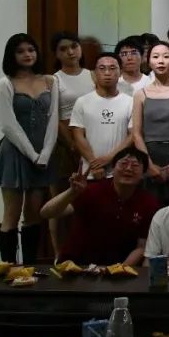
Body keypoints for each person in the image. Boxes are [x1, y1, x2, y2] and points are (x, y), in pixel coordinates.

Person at [0, 33, 59, 264]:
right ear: (12, 55)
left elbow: (53, 119)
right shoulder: (5, 83)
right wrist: (32, 154)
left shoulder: (50, 81)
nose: (27, 54)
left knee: (34, 213)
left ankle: (29, 268)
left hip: (43, 154)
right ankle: (8, 269)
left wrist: (45, 153)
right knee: (12, 213)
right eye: (20, 51)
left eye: (31, 50)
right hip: (14, 152)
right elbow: (7, 124)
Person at [42, 147, 159, 266]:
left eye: (135, 165)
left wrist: (120, 270)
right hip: (76, 265)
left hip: (116, 268)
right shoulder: (93, 191)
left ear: (143, 175)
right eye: (124, 164)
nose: (128, 168)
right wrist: (71, 192)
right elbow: (46, 213)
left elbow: (141, 246)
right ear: (113, 169)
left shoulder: (148, 203)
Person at [50, 30, 92, 256]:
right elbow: (54, 117)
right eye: (63, 49)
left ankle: (83, 251)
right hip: (63, 145)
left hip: (90, 143)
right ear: (56, 54)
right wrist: (71, 143)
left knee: (85, 200)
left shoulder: (92, 75)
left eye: (74, 46)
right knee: (60, 200)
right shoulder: (54, 79)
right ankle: (59, 254)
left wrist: (83, 145)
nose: (70, 52)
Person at [131, 41, 169, 204]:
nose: (161, 61)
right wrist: (149, 164)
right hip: (149, 154)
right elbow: (136, 134)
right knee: (149, 205)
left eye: (166, 56)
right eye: (155, 57)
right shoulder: (140, 94)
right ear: (149, 62)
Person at [70, 52, 134, 179]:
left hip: (120, 171)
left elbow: (133, 135)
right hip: (89, 172)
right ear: (94, 73)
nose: (107, 73)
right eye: (102, 68)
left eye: (112, 68)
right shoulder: (82, 101)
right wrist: (94, 164)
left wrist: (110, 158)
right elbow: (78, 136)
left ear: (120, 72)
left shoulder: (130, 102)